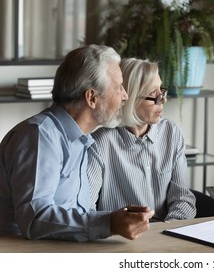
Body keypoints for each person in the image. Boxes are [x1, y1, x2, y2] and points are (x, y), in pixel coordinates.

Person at [0, 45, 154, 241]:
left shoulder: (82, 140)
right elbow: (35, 219)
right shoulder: (40, 135)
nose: (125, 95)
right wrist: (109, 222)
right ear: (92, 98)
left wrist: (119, 219)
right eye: (118, 87)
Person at [88, 58, 196, 221]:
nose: (163, 99)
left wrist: (167, 229)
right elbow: (86, 210)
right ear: (129, 98)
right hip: (121, 239)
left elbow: (183, 200)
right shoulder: (99, 144)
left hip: (167, 235)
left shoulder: (171, 134)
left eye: (161, 90)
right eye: (154, 95)